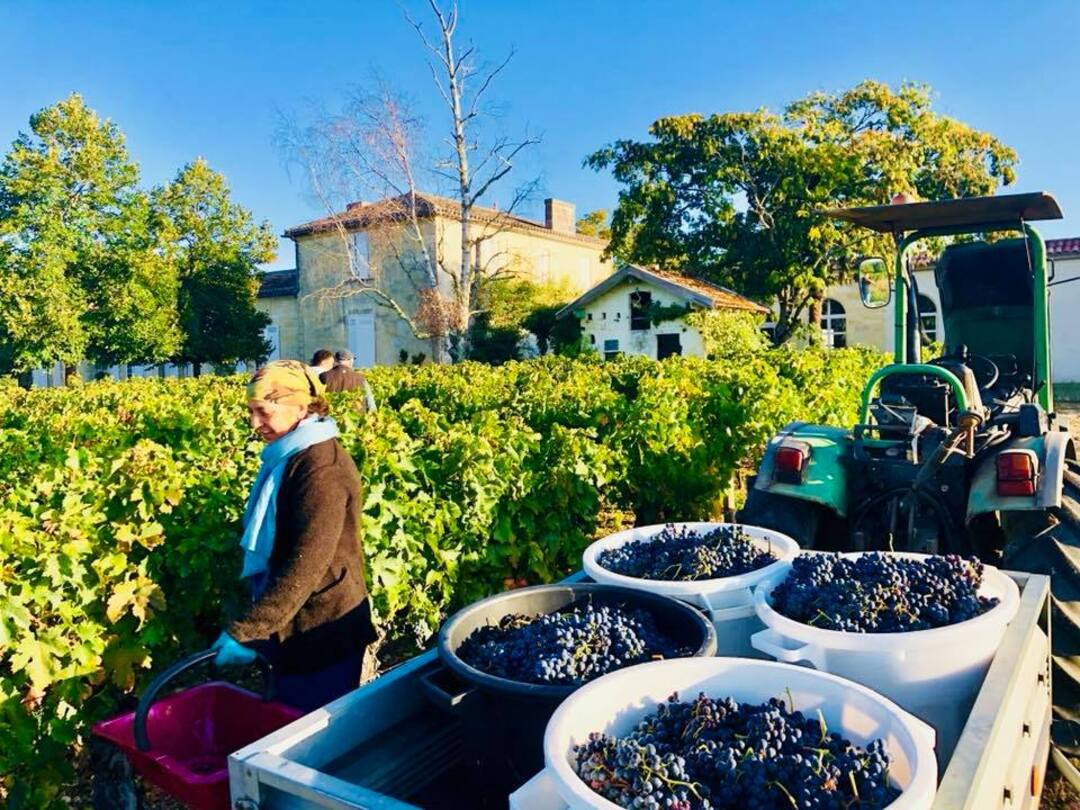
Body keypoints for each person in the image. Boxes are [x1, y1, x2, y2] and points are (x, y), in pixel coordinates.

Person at [211, 359, 376, 711]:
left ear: (301, 406)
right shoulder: (291, 456)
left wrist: (248, 630)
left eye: (263, 412)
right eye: (250, 412)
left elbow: (306, 564)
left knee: (308, 740)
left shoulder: (321, 469)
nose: (255, 424)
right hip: (291, 624)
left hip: (322, 631)